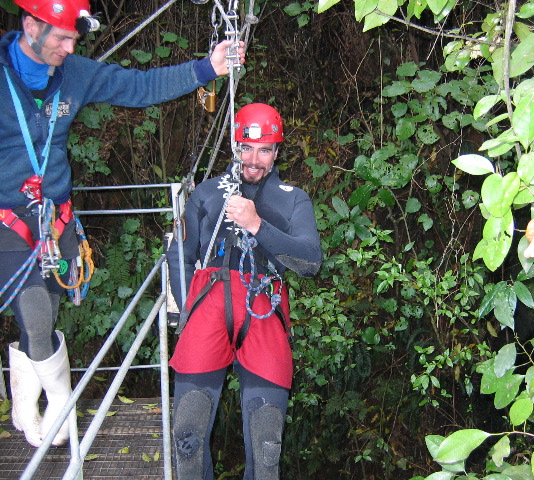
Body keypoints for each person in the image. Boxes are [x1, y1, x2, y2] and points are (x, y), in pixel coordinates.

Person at [0, 0, 245, 448]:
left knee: (46, 314)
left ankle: (23, 401)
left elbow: (137, 86)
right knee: (34, 313)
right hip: (6, 219)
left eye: (75, 38)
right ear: (31, 26)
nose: (70, 48)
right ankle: (61, 403)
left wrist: (206, 69)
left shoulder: (73, 73)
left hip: (55, 218)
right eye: (62, 37)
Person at [167, 102, 322, 480]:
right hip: (209, 304)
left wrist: (256, 225)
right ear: (235, 147)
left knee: (267, 447)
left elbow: (310, 262)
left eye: (264, 150)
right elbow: (179, 255)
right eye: (246, 148)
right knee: (186, 437)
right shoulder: (206, 193)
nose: (254, 160)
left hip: (263, 305)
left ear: (276, 152)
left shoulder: (292, 197)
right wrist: (187, 310)